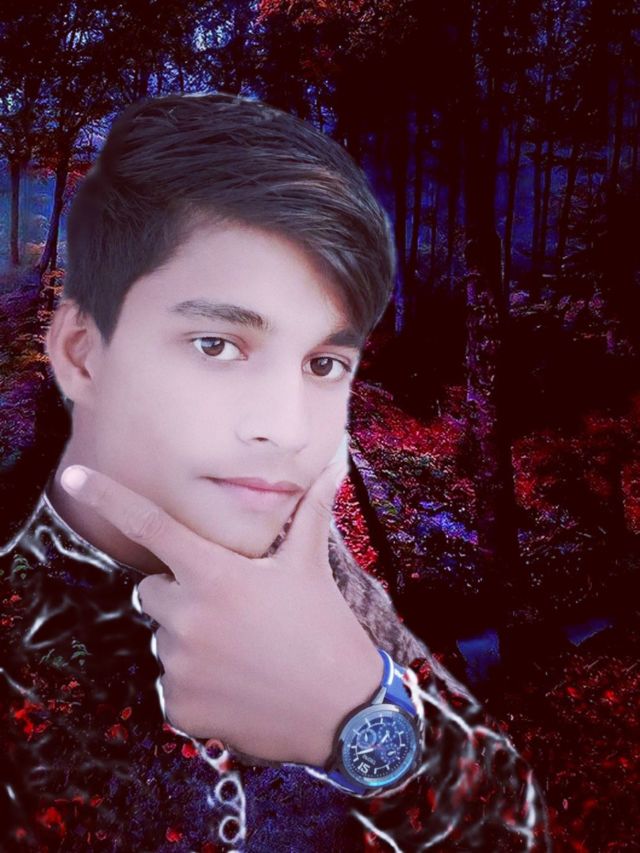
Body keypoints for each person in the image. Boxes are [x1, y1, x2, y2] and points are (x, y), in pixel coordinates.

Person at [0, 91, 551, 851]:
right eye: (217, 345)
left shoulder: (320, 569)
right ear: (82, 355)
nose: (287, 426)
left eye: (322, 363)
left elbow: (512, 814)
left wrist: (356, 722)